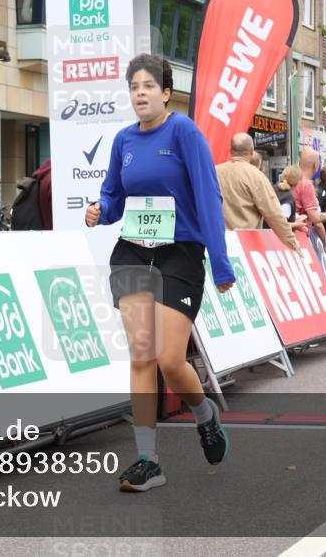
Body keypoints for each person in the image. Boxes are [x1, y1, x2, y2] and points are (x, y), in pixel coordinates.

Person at [85, 54, 232, 492]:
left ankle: (204, 413)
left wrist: (220, 262)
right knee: (141, 356)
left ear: (167, 92)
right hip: (133, 252)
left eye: (149, 86)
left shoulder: (183, 131)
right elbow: (114, 197)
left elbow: (208, 196)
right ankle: (148, 460)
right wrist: (100, 210)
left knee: (171, 360)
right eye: (134, 87)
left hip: (179, 254)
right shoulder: (123, 140)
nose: (141, 93)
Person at [216, 133, 300, 251]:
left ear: (230, 150)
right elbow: (273, 214)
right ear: (251, 151)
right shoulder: (257, 177)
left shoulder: (214, 172)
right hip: (246, 244)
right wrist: (293, 243)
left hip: (216, 242)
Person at [293, 148, 326, 252]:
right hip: (300, 238)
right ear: (316, 165)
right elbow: (315, 218)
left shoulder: (291, 179)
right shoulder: (306, 184)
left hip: (289, 235)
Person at [270, 166, 309, 233]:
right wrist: (297, 224)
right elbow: (280, 225)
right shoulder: (288, 199)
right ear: (298, 182)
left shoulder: (272, 188)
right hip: (278, 238)